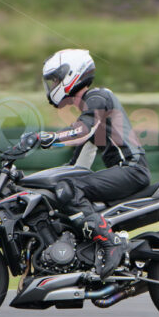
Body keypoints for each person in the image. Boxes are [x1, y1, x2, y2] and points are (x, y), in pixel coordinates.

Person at [23, 49, 151, 279]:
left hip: (131, 170)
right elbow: (79, 164)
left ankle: (110, 243)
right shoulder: (90, 111)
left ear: (71, 74)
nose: (52, 86)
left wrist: (47, 137)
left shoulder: (98, 98)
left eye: (54, 80)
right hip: (126, 171)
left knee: (69, 189)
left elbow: (82, 131)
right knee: (64, 186)